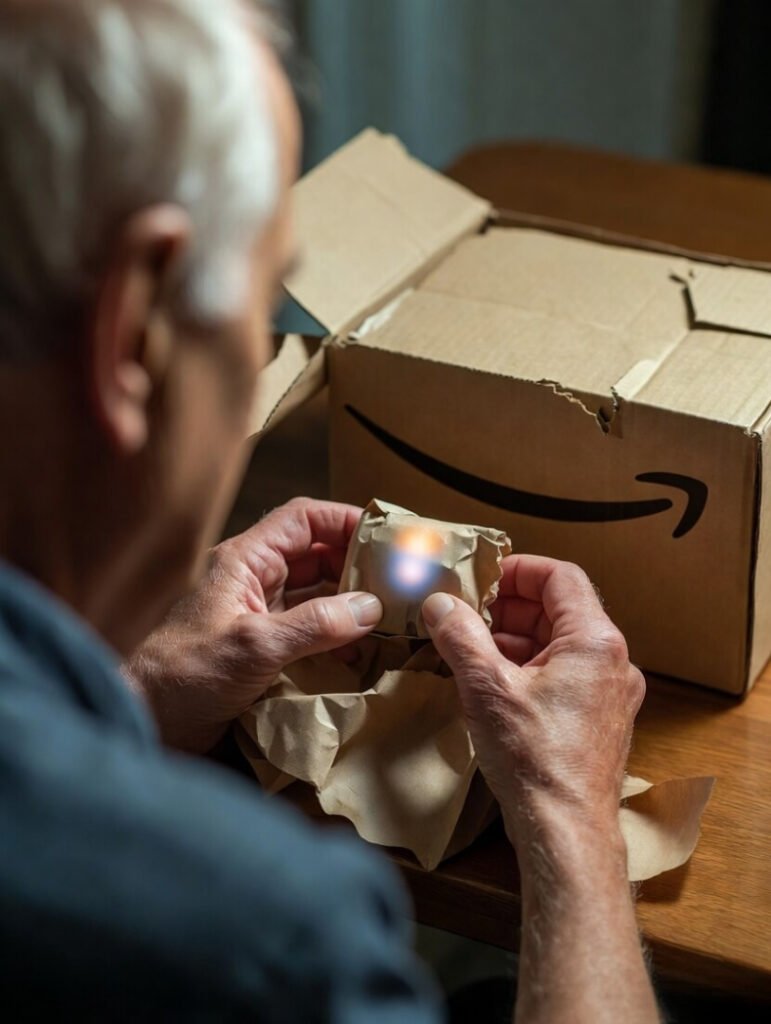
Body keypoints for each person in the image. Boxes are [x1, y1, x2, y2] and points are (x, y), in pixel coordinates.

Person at [0, 1, 659, 1021]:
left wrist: (129, 706)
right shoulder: (268, 932)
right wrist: (575, 821)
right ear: (133, 332)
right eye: (262, 316)